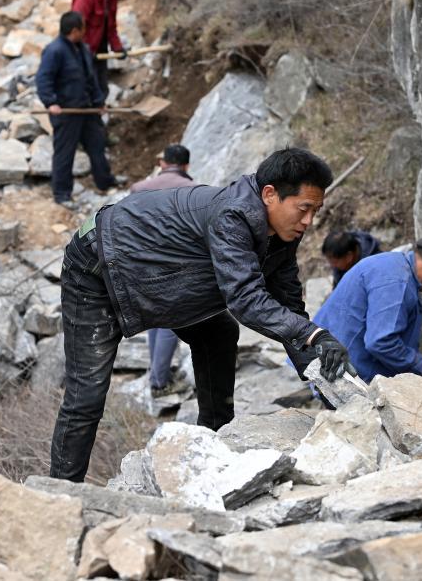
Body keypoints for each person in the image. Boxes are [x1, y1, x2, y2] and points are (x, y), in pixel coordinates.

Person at [50, 148, 356, 482]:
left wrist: (327, 378)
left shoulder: (282, 232)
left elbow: (289, 306)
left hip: (161, 274)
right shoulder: (233, 217)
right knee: (86, 396)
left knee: (218, 333)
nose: (309, 221)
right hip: (97, 266)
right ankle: (61, 493)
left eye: (316, 211)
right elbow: (245, 299)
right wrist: (312, 334)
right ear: (270, 194)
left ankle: (215, 442)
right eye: (304, 208)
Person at [313, 217, 422, 383]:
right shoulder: (398, 283)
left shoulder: (393, 264)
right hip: (338, 371)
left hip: (331, 361)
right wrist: (421, 366)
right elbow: (380, 342)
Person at [128, 144, 201, 396]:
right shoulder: (194, 191)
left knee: (155, 318)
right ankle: (159, 382)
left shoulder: (138, 188)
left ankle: (158, 373)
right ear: (186, 165)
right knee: (173, 320)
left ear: (162, 163)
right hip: (176, 262)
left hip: (142, 262)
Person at [36, 11, 117, 203]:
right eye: (83, 28)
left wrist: (99, 101)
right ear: (74, 31)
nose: (85, 31)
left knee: (97, 145)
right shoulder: (54, 51)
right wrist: (51, 102)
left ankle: (105, 181)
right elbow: (43, 79)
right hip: (66, 112)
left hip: (87, 109)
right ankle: (62, 193)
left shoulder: (83, 49)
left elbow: (91, 78)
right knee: (65, 152)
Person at [70, 0, 127, 100]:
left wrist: (117, 47)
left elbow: (111, 24)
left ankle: (100, 111)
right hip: (84, 52)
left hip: (100, 49)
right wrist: (82, 51)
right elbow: (74, 28)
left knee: (101, 87)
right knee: (86, 89)